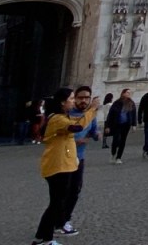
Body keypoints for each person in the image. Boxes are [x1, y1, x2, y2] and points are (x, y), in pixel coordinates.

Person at [31, 87, 98, 245]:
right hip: (57, 167)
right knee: (56, 204)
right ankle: (46, 240)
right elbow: (77, 127)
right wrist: (92, 110)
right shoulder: (57, 119)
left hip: (63, 165)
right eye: (71, 99)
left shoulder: (62, 117)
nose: (73, 101)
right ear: (62, 102)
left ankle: (41, 236)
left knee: (56, 202)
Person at [60, 85, 99, 238]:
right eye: (80, 97)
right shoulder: (66, 114)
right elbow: (73, 130)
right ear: (75, 98)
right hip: (65, 157)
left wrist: (96, 134)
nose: (84, 100)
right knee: (63, 191)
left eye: (86, 98)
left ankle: (65, 219)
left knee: (75, 189)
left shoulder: (91, 115)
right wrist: (77, 140)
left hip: (79, 158)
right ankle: (58, 222)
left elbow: (92, 129)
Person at [105, 88, 136, 164]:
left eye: (130, 93)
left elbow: (134, 114)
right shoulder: (117, 103)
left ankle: (119, 157)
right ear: (123, 93)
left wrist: (134, 124)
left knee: (123, 140)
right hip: (117, 124)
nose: (129, 94)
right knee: (116, 140)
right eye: (127, 92)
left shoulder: (131, 103)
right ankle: (113, 153)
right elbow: (110, 114)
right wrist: (108, 126)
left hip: (126, 124)